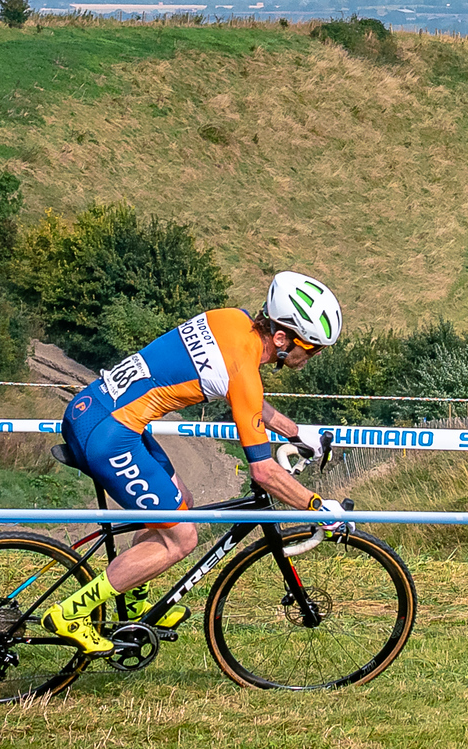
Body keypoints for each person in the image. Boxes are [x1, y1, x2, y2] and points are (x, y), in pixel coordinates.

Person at [42, 271, 347, 655]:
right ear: (283, 338)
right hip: (110, 435)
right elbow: (262, 470)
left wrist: (293, 432)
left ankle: (135, 602)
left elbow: (242, 396)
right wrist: (318, 508)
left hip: (96, 410)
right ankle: (73, 612)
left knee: (178, 499)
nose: (311, 357)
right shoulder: (246, 372)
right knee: (182, 537)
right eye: (312, 348)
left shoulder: (233, 320)